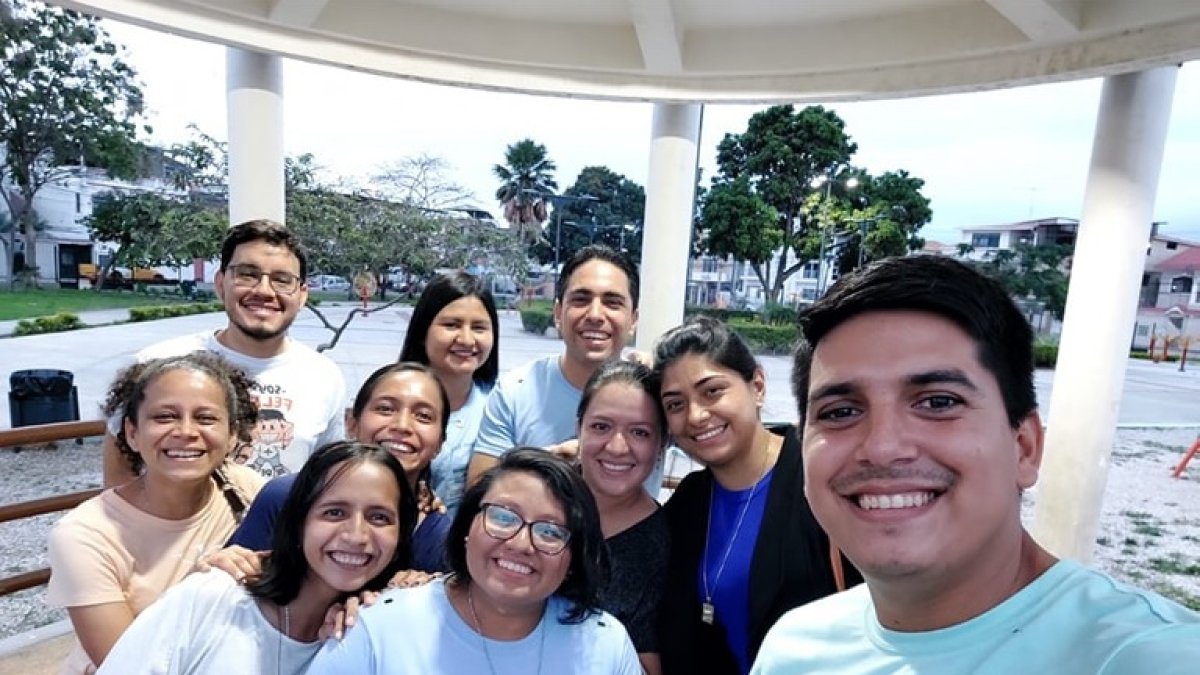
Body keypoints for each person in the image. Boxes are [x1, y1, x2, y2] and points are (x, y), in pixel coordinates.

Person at [751, 255, 1200, 674]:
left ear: (1024, 447)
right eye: (841, 412)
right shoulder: (795, 650)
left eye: (938, 402)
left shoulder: (1144, 657)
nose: (883, 447)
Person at [307, 448, 642, 674]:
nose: (521, 544)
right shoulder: (378, 627)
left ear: (573, 557)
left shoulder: (605, 645)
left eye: (550, 532)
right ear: (467, 526)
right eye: (503, 517)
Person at [97, 441, 419, 674]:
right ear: (299, 522)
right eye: (334, 512)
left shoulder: (368, 633)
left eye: (379, 517)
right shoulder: (214, 597)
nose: (356, 535)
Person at [653, 317, 860, 675]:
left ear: (758, 386)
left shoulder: (822, 479)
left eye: (712, 391)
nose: (696, 416)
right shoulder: (689, 502)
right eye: (675, 405)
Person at [47, 353, 266, 674]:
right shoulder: (83, 535)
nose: (186, 431)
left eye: (206, 418)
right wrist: (200, 586)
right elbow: (127, 666)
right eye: (164, 417)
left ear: (233, 434)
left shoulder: (249, 490)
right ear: (132, 433)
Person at [101, 219, 346, 486]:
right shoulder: (158, 364)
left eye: (282, 280)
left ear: (302, 295)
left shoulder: (324, 376)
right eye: (247, 275)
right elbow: (120, 469)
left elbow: (324, 476)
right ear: (221, 283)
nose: (264, 290)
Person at [467, 245, 660, 494]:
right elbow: (478, 494)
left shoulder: (656, 393)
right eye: (581, 300)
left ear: (633, 319)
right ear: (558, 313)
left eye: (612, 303)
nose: (595, 315)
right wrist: (544, 466)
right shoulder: (514, 392)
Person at [228, 362, 452, 573]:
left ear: (440, 442)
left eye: (424, 416)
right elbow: (234, 579)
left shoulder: (439, 535)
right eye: (385, 409)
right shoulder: (283, 496)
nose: (402, 425)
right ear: (351, 423)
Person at [576, 359, 670, 675]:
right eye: (601, 427)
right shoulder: (533, 503)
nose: (617, 447)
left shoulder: (665, 546)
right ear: (578, 429)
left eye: (640, 433)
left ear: (662, 444)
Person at [399, 271, 500, 516]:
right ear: (422, 332)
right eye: (451, 325)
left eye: (479, 328)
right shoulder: (390, 397)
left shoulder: (501, 406)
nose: (466, 339)